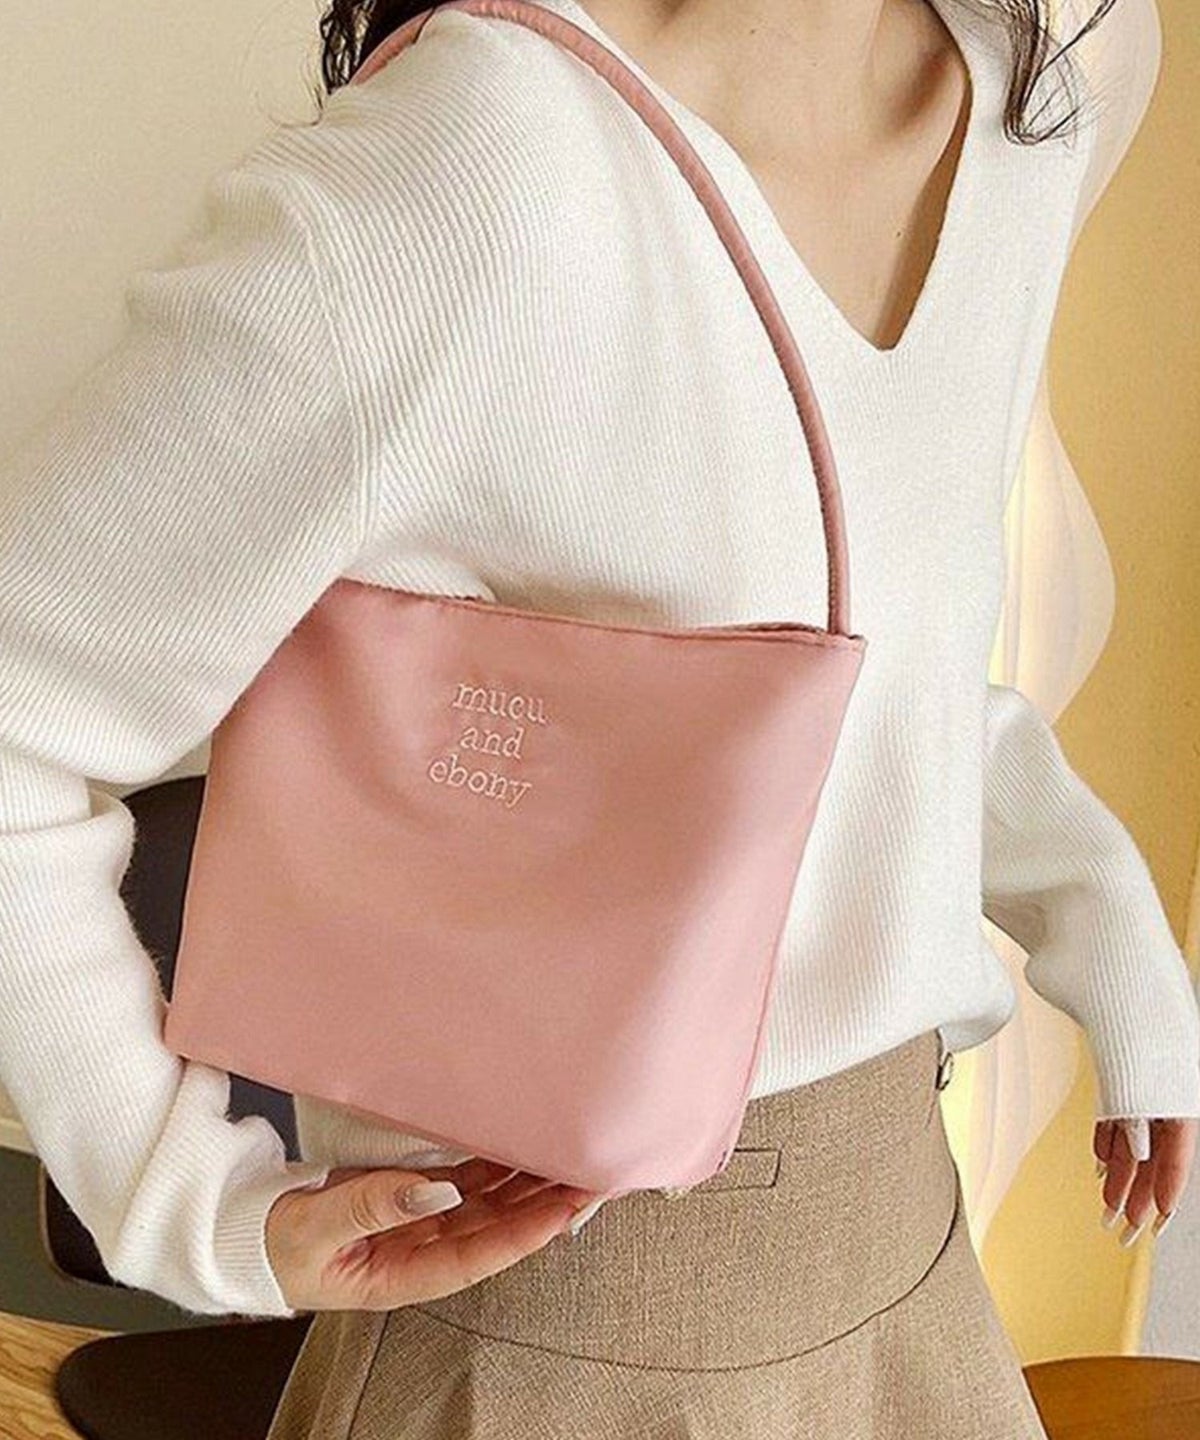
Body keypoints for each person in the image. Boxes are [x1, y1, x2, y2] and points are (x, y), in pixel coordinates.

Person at [1, 0, 1195, 1434]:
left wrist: (1108, 927)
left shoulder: (1028, 105)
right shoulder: (469, 178)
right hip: (549, 1350)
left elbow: (899, 682)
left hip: (916, 1292)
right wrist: (185, 1201)